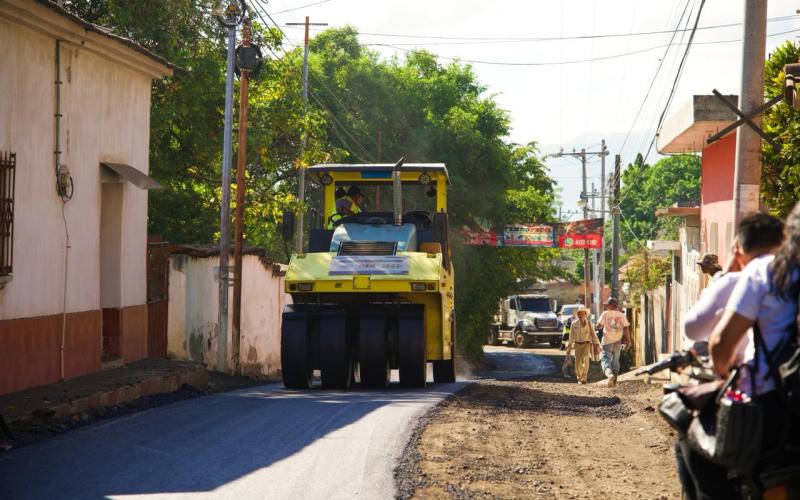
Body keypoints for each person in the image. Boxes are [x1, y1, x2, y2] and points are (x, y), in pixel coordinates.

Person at [674, 213, 784, 500]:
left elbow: (716, 341)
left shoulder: (757, 272)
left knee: (694, 442)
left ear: (738, 249)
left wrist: (724, 376)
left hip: (769, 400)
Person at [706, 205, 800, 494]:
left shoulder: (766, 270)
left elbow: (721, 345)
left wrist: (723, 374)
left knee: (709, 456)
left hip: (778, 409)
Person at [596, 297, 630, 387]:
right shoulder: (622, 315)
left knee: (605, 359)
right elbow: (626, 328)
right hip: (618, 341)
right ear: (616, 305)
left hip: (607, 341)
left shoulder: (605, 313)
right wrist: (628, 341)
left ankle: (610, 375)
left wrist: (598, 326)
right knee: (615, 360)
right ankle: (614, 381)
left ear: (609, 305)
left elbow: (598, 326)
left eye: (607, 305)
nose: (606, 307)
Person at [565, 308, 600, 384]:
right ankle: (579, 378)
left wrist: (597, 345)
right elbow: (571, 336)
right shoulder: (574, 324)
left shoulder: (589, 324)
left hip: (586, 344)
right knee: (578, 363)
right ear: (577, 315)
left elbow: (594, 335)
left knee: (586, 359)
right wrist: (569, 347)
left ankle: (584, 378)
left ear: (585, 315)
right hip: (577, 345)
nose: (580, 315)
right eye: (579, 314)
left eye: (582, 314)